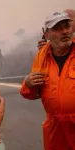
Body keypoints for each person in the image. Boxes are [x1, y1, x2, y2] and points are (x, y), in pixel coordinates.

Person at [20, 12, 75, 150]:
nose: (64, 32)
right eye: (57, 28)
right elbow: (32, 93)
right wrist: (28, 85)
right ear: (46, 34)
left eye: (67, 26)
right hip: (55, 131)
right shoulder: (41, 57)